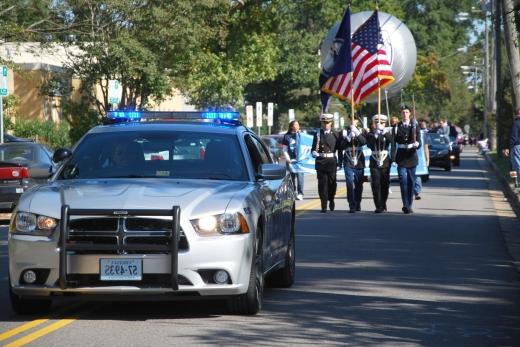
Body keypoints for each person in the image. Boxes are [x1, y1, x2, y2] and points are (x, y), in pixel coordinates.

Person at [392, 105, 421, 214]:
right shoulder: (396, 127)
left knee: (411, 181)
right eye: (403, 112)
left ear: (410, 114)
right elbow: (394, 144)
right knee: (403, 180)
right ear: (401, 114)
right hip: (401, 157)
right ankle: (405, 204)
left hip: (411, 156)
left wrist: (417, 143)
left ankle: (409, 205)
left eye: (407, 112)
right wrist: (393, 158)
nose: (405, 114)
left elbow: (419, 141)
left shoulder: (415, 126)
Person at [312, 113, 341, 213]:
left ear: (331, 123)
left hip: (331, 162)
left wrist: (340, 162)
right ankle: (323, 205)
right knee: (322, 184)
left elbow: (339, 150)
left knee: (332, 184)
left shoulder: (336, 134)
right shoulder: (318, 134)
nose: (325, 125)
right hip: (320, 161)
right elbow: (313, 148)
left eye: (327, 122)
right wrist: (313, 152)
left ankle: (331, 199)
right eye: (324, 123)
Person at [338, 118, 366, 213]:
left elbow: (363, 142)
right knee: (349, 183)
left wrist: (357, 133)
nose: (353, 121)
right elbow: (341, 146)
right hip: (348, 159)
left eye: (355, 120)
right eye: (351, 120)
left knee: (359, 183)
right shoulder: (344, 131)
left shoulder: (361, 130)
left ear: (357, 121)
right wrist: (349, 136)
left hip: (359, 160)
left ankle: (358, 202)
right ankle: (352, 205)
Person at [366, 114, 392, 213]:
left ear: (385, 124)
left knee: (385, 184)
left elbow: (392, 141)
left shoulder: (387, 132)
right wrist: (376, 135)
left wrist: (384, 132)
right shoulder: (370, 134)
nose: (379, 124)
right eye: (377, 122)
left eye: (381, 122)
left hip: (385, 160)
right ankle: (378, 205)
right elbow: (369, 145)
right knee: (376, 184)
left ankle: (383, 202)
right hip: (374, 160)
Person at [282, 120, 305, 200]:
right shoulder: (286, 136)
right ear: (291, 126)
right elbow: (284, 149)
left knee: (300, 177)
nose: (297, 126)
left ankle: (300, 193)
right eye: (295, 124)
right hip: (291, 161)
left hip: (299, 161)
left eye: (298, 124)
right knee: (291, 178)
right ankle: (293, 192)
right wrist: (288, 159)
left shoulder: (301, 135)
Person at [413, 120, 430, 200]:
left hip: (419, 158)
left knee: (417, 175)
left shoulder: (423, 134)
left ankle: (416, 192)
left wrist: (427, 159)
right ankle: (410, 192)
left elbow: (426, 147)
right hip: (408, 157)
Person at [504, 108, 520, 188]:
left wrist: (508, 148)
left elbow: (513, 137)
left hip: (517, 146)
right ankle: (516, 182)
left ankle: (516, 182)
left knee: (515, 165)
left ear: (515, 114)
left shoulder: (516, 123)